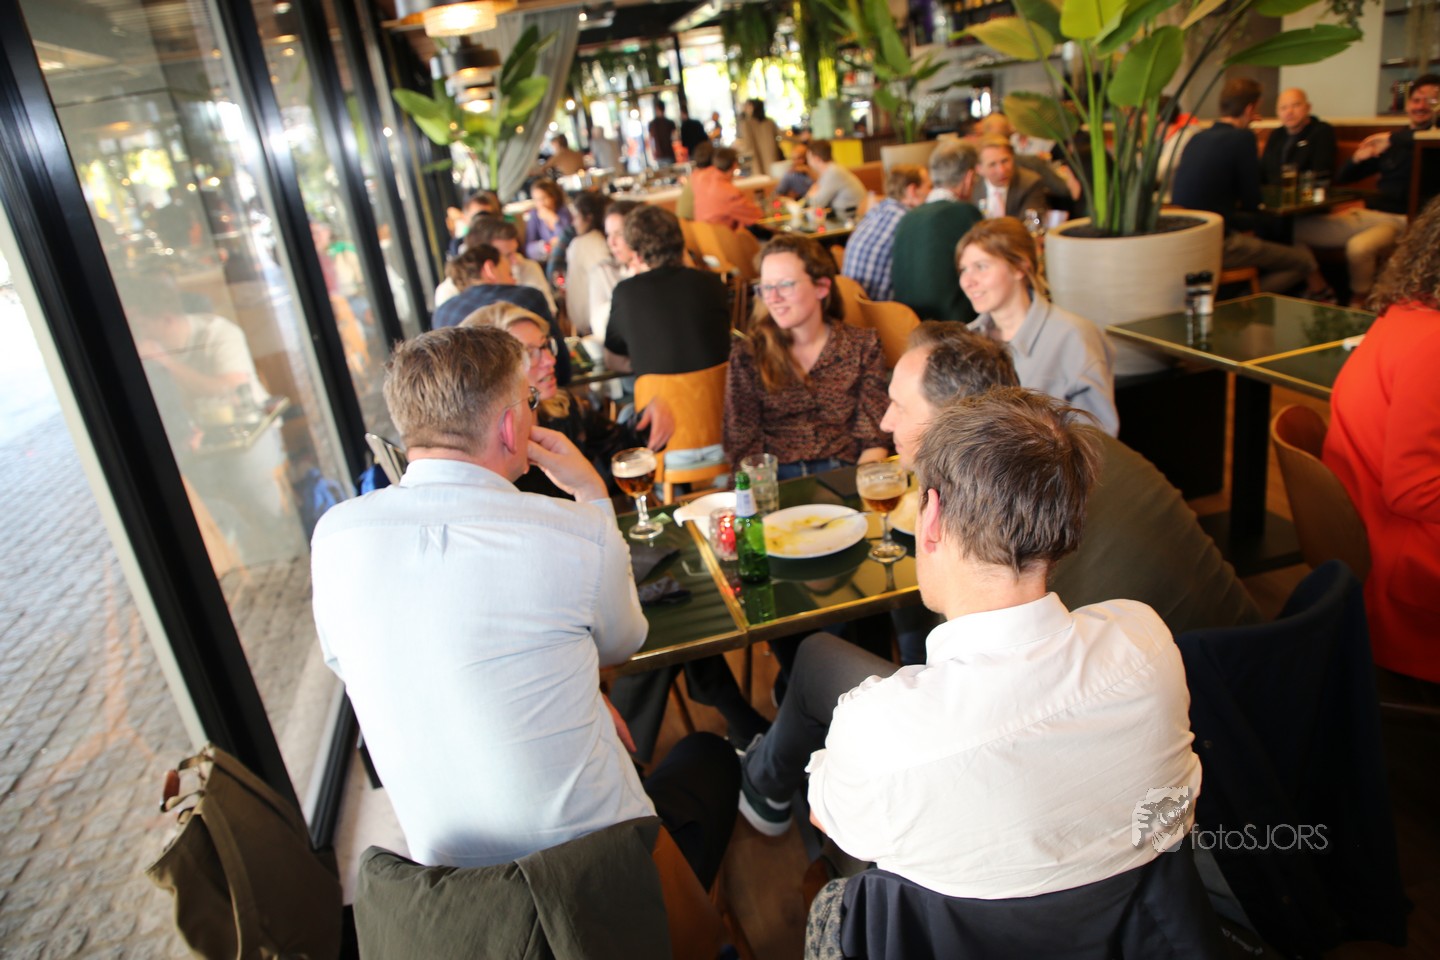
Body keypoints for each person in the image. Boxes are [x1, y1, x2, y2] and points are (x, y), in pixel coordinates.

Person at [736, 387, 1203, 908]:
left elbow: (830, 816)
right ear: (1068, 522)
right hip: (1140, 926)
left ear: (931, 518)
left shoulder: (879, 729)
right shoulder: (1147, 642)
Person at [311, 324, 739, 890]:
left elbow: (366, 662)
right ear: (511, 426)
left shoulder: (335, 535)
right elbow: (624, 641)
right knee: (710, 755)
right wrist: (592, 495)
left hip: (448, 888)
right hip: (599, 880)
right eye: (530, 400)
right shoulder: (570, 533)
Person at [881, 323, 1259, 664]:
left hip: (1199, 684)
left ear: (950, 418)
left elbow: (981, 669)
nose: (885, 422)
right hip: (1248, 649)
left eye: (899, 406)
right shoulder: (1069, 445)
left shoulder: (999, 514)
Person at [1323, 195, 1440, 684]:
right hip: (1403, 558)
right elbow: (1414, 490)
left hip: (1369, 530)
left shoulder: (1406, 315)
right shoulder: (1432, 344)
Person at [459, 303, 671, 497]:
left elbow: (617, 447)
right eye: (528, 354)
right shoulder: (486, 449)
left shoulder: (562, 407)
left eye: (545, 346)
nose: (550, 360)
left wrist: (650, 418)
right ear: (493, 373)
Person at [724, 234, 890, 478]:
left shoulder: (862, 346)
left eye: (785, 285)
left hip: (845, 473)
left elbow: (874, 439)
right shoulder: (749, 353)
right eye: (767, 287)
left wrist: (859, 487)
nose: (773, 298)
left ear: (821, 287)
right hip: (773, 477)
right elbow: (742, 445)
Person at [1171, 78, 1336, 299]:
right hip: (1220, 242)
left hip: (1188, 243)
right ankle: (1245, 299)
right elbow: (1252, 200)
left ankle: (1317, 293)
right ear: (1250, 109)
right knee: (1304, 261)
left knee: (1279, 242)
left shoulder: (1197, 138)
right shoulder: (1242, 138)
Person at [960, 218, 1118, 435]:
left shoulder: (1075, 337)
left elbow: (1099, 438)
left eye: (981, 267)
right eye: (963, 269)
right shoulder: (965, 340)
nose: (968, 281)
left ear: (1019, 267)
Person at [1327, 76, 1440, 304]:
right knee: (1295, 231)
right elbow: (1342, 178)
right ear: (1407, 105)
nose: (1421, 106)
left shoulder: (1430, 143)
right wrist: (1357, 159)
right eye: (1416, 100)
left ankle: (1360, 302)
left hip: (1403, 220)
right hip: (1369, 214)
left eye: (1431, 101)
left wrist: (1391, 138)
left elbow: (1421, 139)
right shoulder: (1391, 143)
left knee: (1359, 248)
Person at [603, 205, 731, 377]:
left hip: (657, 394)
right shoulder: (712, 283)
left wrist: (648, 367)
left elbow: (612, 361)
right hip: (717, 392)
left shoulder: (625, 293)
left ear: (637, 254)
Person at [891, 140, 983, 322]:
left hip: (911, 326)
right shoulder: (965, 213)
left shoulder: (908, 217)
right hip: (955, 327)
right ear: (969, 178)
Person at [438, 216, 557, 319]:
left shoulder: (527, 267)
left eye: (515, 252)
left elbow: (549, 315)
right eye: (507, 255)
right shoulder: (449, 292)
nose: (515, 260)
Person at [841, 164, 929, 302]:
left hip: (853, 307)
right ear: (912, 190)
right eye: (929, 187)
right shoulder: (908, 222)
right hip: (883, 310)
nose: (932, 193)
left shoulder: (876, 212)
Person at [563, 191, 610, 337]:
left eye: (576, 217)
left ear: (588, 218)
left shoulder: (581, 245)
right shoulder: (609, 240)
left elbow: (577, 298)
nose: (573, 223)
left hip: (594, 326)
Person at [975, 136, 1048, 219]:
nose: (1002, 170)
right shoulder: (972, 188)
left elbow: (1029, 221)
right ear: (979, 169)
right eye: (992, 164)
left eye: (1005, 161)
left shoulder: (1030, 183)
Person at [691, 146, 763, 230]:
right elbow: (756, 215)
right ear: (735, 165)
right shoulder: (729, 193)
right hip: (723, 236)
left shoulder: (699, 178)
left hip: (705, 234)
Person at [804, 139, 865, 220]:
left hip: (850, 217)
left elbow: (818, 202)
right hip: (844, 214)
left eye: (808, 159)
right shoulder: (829, 171)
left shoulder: (833, 172)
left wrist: (810, 194)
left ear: (816, 158)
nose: (808, 163)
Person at [524, 179, 572, 262]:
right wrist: (545, 246)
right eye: (536, 200)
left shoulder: (564, 212)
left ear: (554, 197)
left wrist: (554, 219)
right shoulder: (534, 215)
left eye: (543, 198)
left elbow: (568, 238)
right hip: (547, 259)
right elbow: (528, 248)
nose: (541, 204)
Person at [737, 98, 781, 172]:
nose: (745, 109)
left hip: (756, 157)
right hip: (771, 155)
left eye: (748, 106)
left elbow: (747, 143)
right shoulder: (769, 122)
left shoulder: (746, 123)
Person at [648, 99, 677, 166]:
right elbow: (675, 138)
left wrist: (653, 152)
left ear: (656, 109)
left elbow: (651, 140)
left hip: (659, 154)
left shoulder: (652, 124)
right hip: (669, 153)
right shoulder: (670, 123)